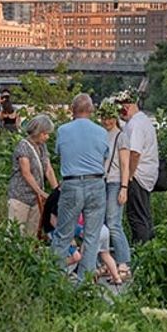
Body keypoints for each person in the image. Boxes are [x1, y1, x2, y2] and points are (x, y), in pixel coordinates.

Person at [52, 93, 108, 279]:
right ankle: (84, 282)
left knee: (63, 234)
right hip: (96, 182)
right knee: (92, 236)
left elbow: (59, 151)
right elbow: (105, 155)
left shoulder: (63, 130)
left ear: (72, 109)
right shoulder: (101, 132)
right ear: (91, 110)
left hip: (72, 183)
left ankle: (56, 278)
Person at [117, 86, 159, 245]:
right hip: (148, 174)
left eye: (121, 110)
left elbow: (134, 153)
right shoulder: (143, 120)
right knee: (145, 215)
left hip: (138, 175)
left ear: (126, 107)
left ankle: (140, 250)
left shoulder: (135, 125)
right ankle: (150, 248)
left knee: (136, 217)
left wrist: (128, 176)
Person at [7, 114, 58, 237]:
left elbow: (48, 169)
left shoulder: (42, 147)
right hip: (20, 196)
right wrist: (40, 192)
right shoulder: (23, 146)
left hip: (35, 199)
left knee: (32, 234)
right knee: (16, 233)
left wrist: (56, 191)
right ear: (37, 132)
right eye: (45, 134)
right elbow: (26, 173)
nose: (47, 137)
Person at [99, 99, 132, 276]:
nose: (107, 121)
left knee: (113, 224)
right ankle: (105, 262)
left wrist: (124, 187)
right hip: (100, 182)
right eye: (104, 117)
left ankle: (123, 261)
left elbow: (125, 165)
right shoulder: (99, 134)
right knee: (101, 224)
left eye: (110, 117)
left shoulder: (121, 136)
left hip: (115, 182)